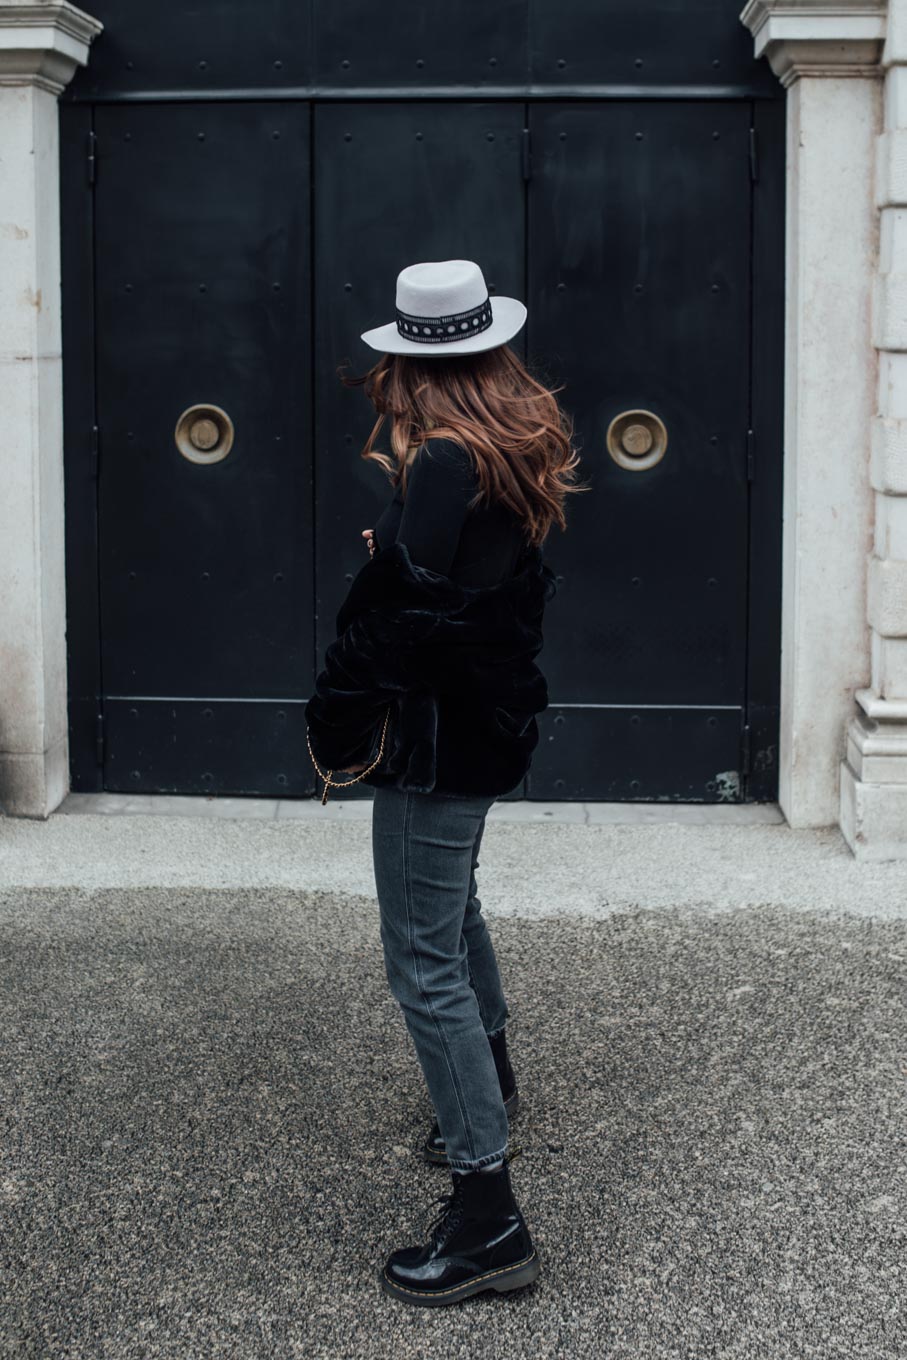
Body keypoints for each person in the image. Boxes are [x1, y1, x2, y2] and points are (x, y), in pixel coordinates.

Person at [304, 259, 586, 1307]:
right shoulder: (511, 440)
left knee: (420, 959)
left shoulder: (440, 461)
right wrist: (400, 554)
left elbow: (406, 619)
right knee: (451, 905)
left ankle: (488, 1216)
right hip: (483, 722)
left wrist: (333, 714)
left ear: (413, 364)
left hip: (433, 735)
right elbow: (465, 580)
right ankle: (493, 1080)